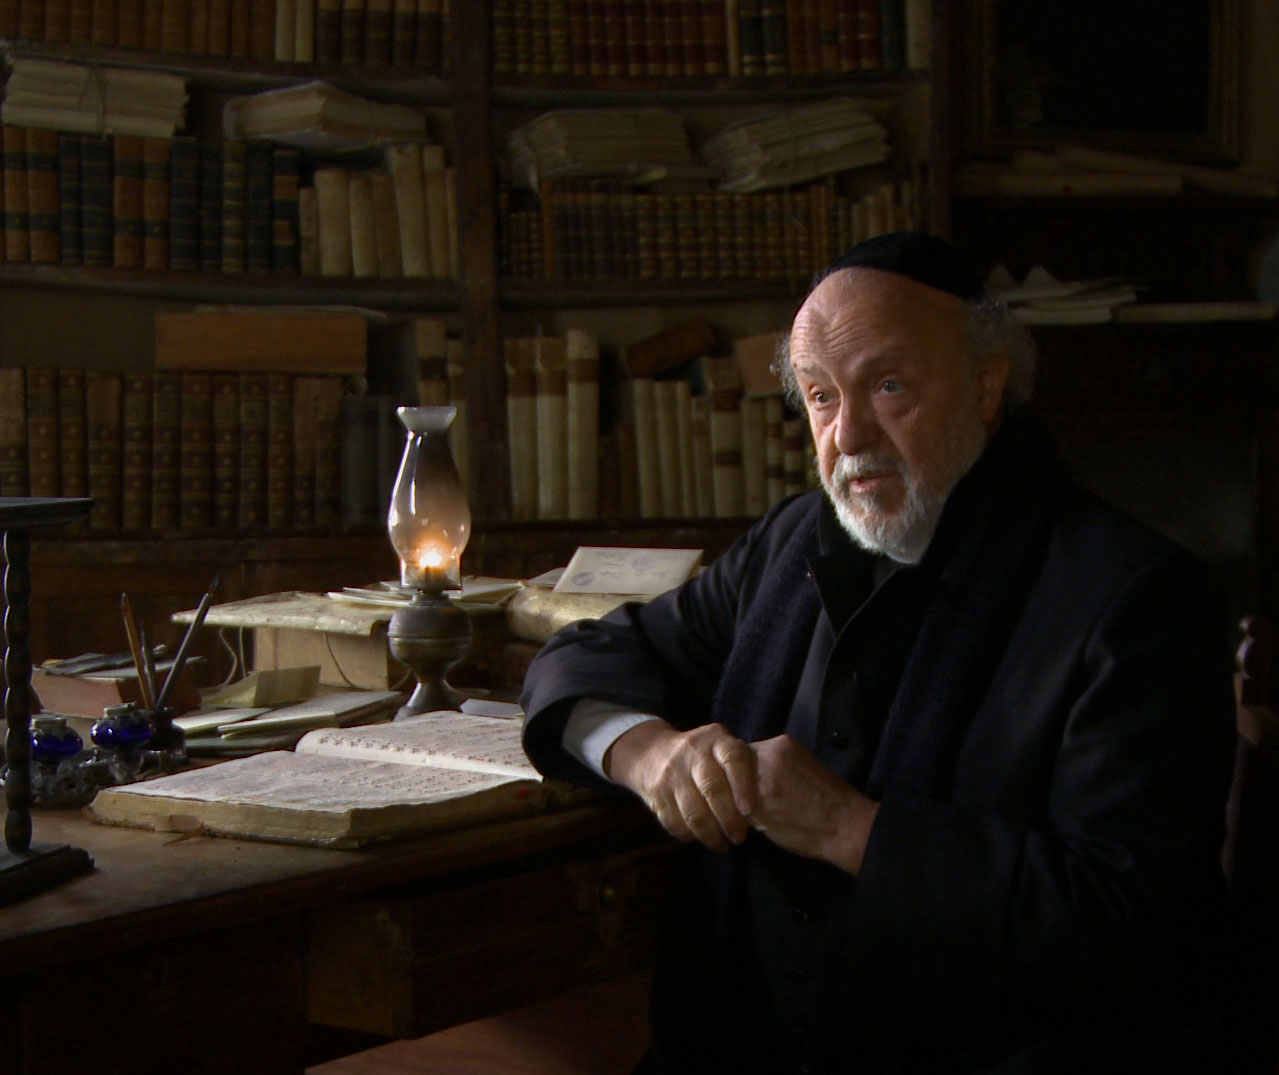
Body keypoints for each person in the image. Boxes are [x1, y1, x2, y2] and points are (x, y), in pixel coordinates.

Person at [520, 232, 1236, 1073]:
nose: (849, 433)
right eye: (821, 397)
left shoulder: (1134, 596)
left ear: (986, 383)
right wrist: (651, 756)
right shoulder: (791, 544)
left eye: (889, 385)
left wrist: (852, 829)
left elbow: (1124, 925)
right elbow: (586, 655)